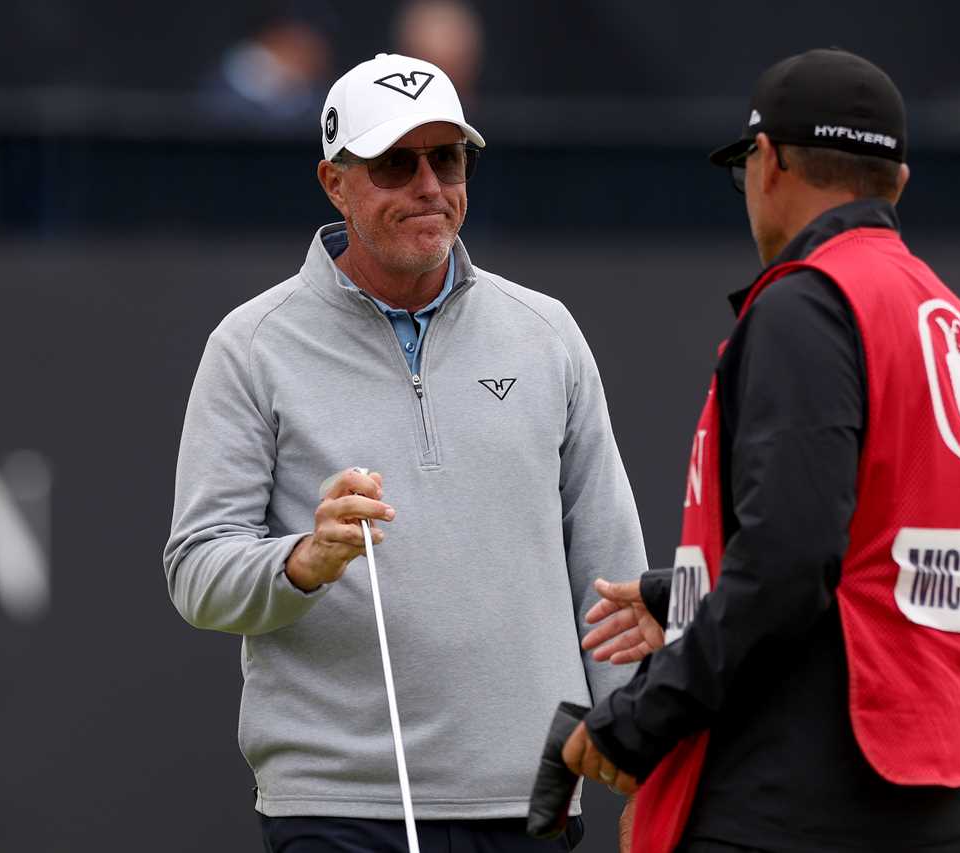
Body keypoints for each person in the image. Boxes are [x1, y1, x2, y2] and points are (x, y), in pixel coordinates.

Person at [165, 53, 647, 853]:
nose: (429, 185)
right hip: (338, 803)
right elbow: (197, 572)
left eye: (447, 158)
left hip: (535, 796)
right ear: (335, 182)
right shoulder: (251, 346)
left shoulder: (546, 332)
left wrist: (645, 757)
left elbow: (609, 571)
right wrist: (302, 562)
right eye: (395, 163)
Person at [565, 48, 960, 852]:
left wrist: (638, 722)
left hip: (803, 795)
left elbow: (788, 562)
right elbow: (872, 557)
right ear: (900, 183)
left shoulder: (809, 304)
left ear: (768, 161)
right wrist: (682, 594)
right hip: (948, 787)